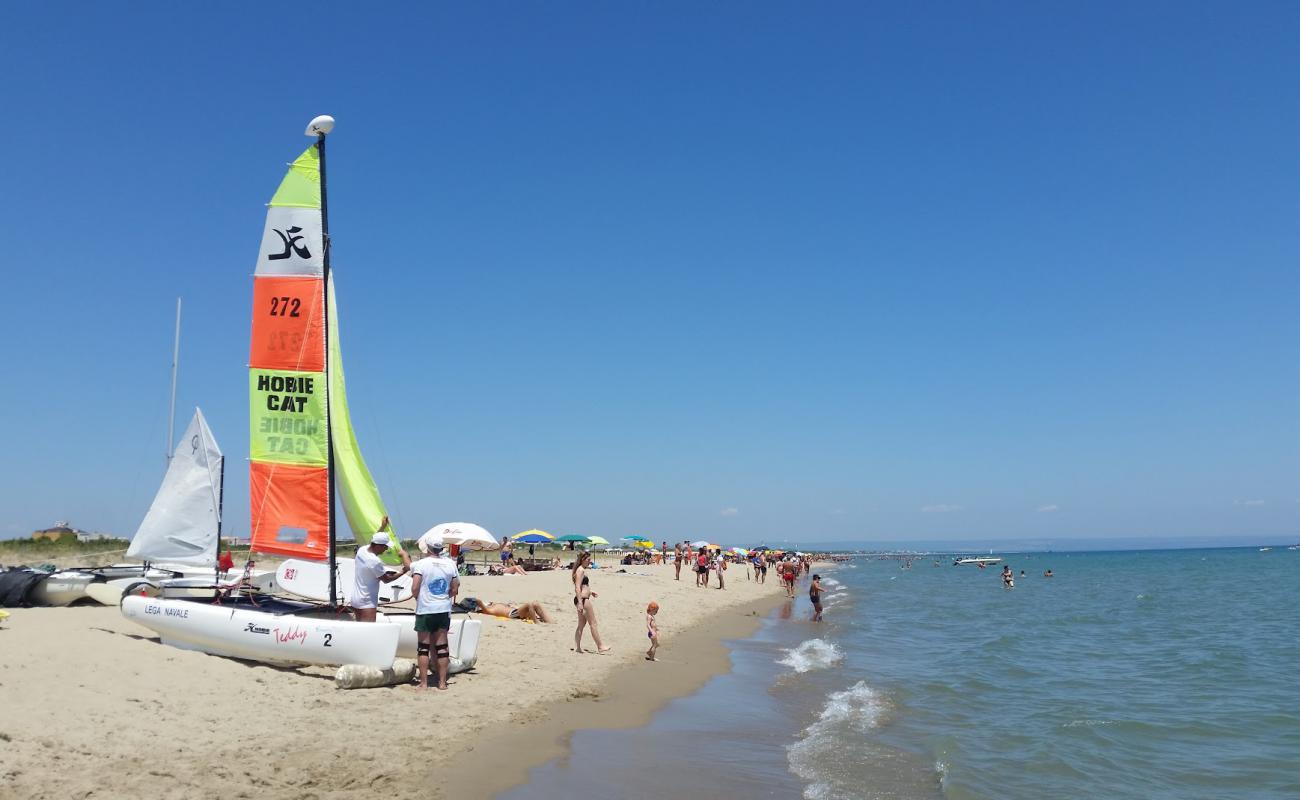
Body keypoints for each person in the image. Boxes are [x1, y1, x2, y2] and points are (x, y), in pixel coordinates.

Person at [409, 535, 459, 691]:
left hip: (426, 609)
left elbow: (415, 587)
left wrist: (419, 598)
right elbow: (455, 588)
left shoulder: (421, 564)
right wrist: (443, 597)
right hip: (443, 609)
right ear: (441, 549)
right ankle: (442, 682)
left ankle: (424, 683)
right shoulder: (450, 564)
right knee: (442, 646)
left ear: (428, 548)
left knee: (423, 647)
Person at [352, 531, 411, 622]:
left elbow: (372, 571)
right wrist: (403, 571)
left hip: (356, 599)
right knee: (368, 630)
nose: (386, 549)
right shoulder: (374, 561)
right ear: (378, 546)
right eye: (385, 546)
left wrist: (382, 527)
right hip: (367, 602)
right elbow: (387, 579)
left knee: (360, 629)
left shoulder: (362, 550)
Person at [572, 551, 611, 654]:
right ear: (582, 560)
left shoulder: (580, 570)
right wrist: (580, 602)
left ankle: (577, 647)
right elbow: (577, 587)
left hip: (582, 598)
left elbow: (582, 586)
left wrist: (591, 591)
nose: (590, 562)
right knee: (593, 623)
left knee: (581, 624)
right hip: (583, 600)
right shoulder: (580, 570)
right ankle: (600, 646)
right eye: (588, 560)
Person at [460, 597, 553, 623]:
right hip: (512, 614)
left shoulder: (491, 605)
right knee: (529, 604)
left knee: (535, 603)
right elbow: (479, 601)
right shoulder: (487, 611)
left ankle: (549, 621)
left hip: (515, 610)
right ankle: (537, 622)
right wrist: (477, 601)